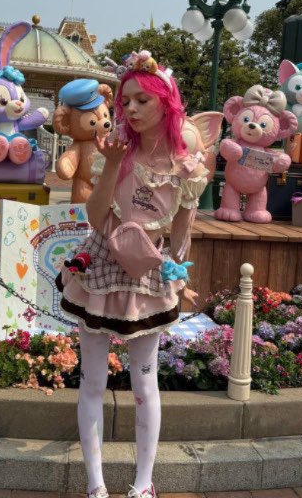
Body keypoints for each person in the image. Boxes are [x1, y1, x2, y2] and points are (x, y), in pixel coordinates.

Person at [56, 51, 207, 498]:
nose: (131, 110)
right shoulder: (115, 149)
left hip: (149, 273)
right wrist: (110, 165)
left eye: (143, 100)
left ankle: (143, 484)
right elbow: (95, 215)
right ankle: (95, 485)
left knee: (144, 383)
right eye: (126, 102)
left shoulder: (186, 165)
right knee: (93, 382)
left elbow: (182, 234)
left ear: (166, 102)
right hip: (102, 265)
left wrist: (179, 276)